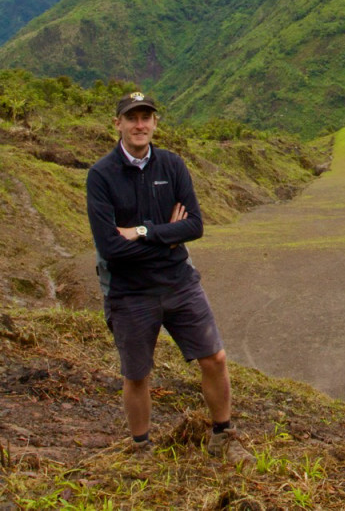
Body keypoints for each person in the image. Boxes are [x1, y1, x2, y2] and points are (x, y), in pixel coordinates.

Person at [86, 91, 251, 462]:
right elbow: (110, 248)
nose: (140, 125)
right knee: (137, 373)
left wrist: (143, 232)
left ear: (156, 123)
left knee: (215, 358)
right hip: (129, 291)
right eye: (132, 118)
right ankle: (141, 447)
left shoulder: (172, 165)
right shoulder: (100, 175)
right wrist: (167, 238)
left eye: (146, 117)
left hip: (179, 281)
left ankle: (224, 435)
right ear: (118, 124)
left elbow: (194, 226)